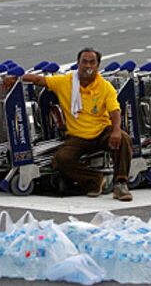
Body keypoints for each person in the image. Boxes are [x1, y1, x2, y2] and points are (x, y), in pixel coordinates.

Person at [22, 47, 133, 201]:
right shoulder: (65, 82)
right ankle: (95, 180)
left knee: (123, 138)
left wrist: (116, 130)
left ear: (97, 65)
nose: (88, 66)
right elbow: (39, 80)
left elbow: (115, 111)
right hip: (78, 136)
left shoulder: (105, 86)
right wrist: (16, 78)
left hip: (101, 132)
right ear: (78, 63)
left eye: (92, 62)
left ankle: (120, 184)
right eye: (84, 62)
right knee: (60, 159)